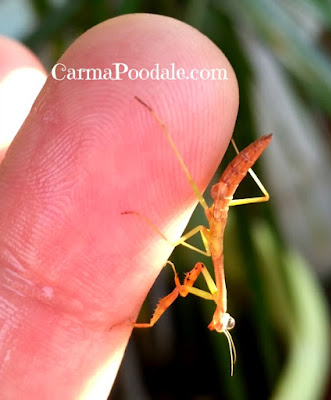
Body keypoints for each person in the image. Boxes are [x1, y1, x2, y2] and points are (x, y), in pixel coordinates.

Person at [0, 13, 238, 398]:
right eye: (223, 321)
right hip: (221, 196)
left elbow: (192, 262)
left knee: (192, 206)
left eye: (221, 323)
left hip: (218, 209)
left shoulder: (210, 281)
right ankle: (161, 125)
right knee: (192, 186)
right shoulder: (213, 276)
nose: (218, 322)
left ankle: (165, 126)